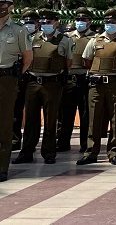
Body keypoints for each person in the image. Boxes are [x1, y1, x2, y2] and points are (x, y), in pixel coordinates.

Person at [77, 9, 116, 166]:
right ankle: (91, 152)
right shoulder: (95, 41)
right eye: (107, 22)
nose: (110, 25)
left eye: (113, 22)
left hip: (115, 84)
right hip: (96, 85)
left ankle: (114, 152)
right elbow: (87, 60)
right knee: (94, 119)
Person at [14, 10, 73, 165]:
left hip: (52, 83)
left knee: (50, 119)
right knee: (31, 120)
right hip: (33, 82)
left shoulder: (64, 40)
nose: (46, 24)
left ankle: (49, 152)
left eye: (49, 22)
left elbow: (68, 62)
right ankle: (26, 152)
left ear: (56, 22)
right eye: (44, 22)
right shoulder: (32, 38)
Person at [0, 0, 32, 182]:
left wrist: (15, 76)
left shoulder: (19, 30)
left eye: (3, 5)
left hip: (7, 79)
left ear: (10, 7)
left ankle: (2, 167)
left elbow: (28, 58)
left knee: (4, 124)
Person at [58, 6, 94, 154]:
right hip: (70, 79)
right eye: (78, 19)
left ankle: (85, 144)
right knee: (65, 113)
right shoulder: (67, 37)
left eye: (83, 20)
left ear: (89, 22)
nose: (80, 22)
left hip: (85, 78)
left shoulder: (94, 38)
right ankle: (62, 142)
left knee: (86, 114)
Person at [11, 9, 38, 153]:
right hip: (20, 76)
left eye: (31, 22)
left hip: (35, 78)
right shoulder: (17, 35)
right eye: (26, 22)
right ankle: (15, 140)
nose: (28, 25)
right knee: (16, 110)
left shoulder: (42, 37)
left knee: (32, 113)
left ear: (37, 23)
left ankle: (30, 144)